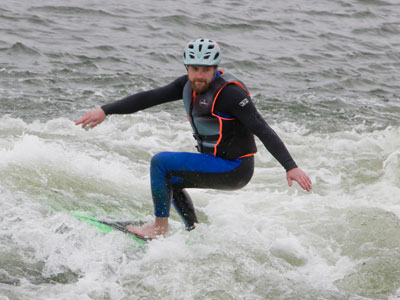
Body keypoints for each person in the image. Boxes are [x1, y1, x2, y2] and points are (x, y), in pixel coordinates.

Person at [76, 38, 312, 239]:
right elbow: (148, 98)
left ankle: (159, 228)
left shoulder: (230, 93)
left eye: (206, 70)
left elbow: (262, 128)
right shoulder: (185, 84)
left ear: (215, 68)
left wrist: (290, 167)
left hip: (235, 167)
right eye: (195, 69)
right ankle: (194, 231)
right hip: (218, 163)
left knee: (161, 162)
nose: (200, 75)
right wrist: (105, 110)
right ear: (187, 67)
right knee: (173, 180)